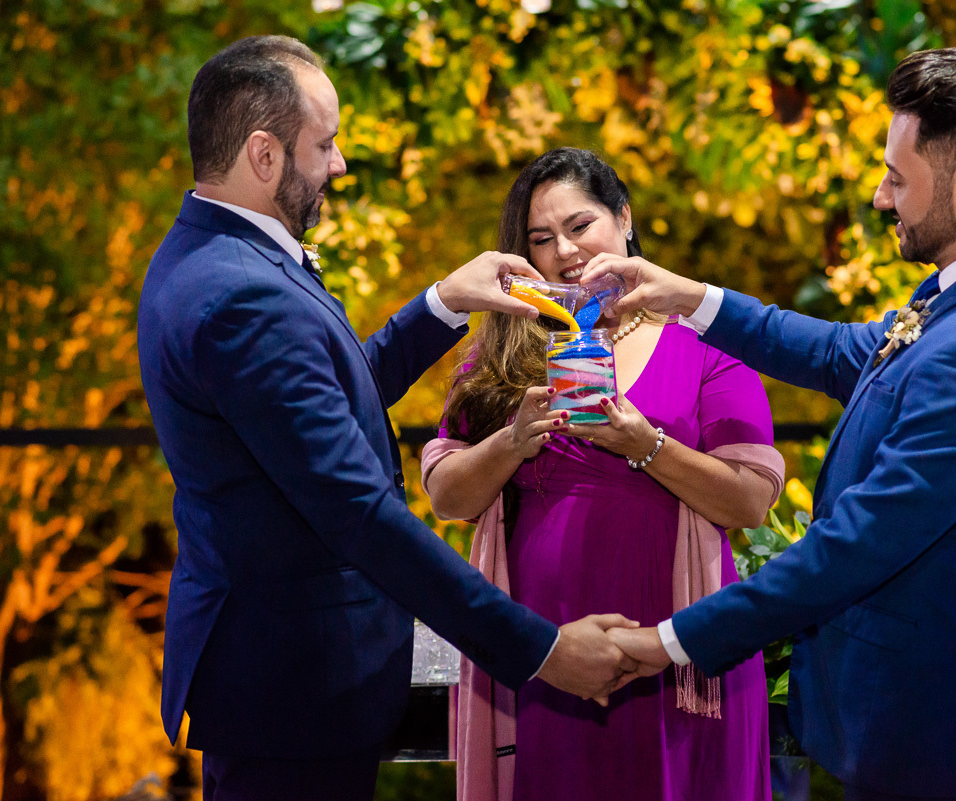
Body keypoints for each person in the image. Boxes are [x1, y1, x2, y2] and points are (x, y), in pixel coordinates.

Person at [137, 37, 639, 801]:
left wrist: (444, 302)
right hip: (294, 685)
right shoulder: (243, 297)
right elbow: (361, 514)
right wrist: (539, 650)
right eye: (326, 144)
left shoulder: (208, 254)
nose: (338, 164)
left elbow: (317, 413)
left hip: (279, 676)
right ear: (264, 155)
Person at [586, 48, 956, 801]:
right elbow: (842, 350)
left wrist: (668, 642)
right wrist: (683, 296)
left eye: (898, 177)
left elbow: (852, 547)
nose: (882, 198)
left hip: (922, 727)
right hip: (886, 707)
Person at [422, 148, 784, 801]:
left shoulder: (708, 345)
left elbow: (751, 501)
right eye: (541, 239)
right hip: (548, 651)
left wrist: (646, 445)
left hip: (678, 650)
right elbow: (447, 495)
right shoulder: (503, 347)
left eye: (579, 225)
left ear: (624, 218)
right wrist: (512, 441)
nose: (564, 250)